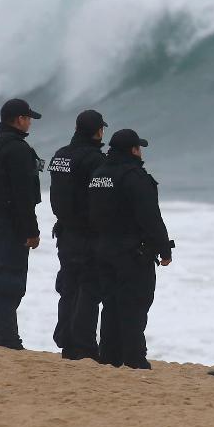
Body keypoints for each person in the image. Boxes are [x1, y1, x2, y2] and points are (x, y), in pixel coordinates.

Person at [82, 128, 173, 369]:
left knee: (110, 304)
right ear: (133, 150)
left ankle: (110, 355)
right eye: (139, 148)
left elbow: (91, 213)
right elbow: (150, 217)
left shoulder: (98, 174)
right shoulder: (135, 177)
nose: (141, 152)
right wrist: (165, 250)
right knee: (135, 303)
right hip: (132, 253)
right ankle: (134, 357)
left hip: (103, 249)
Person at [0, 97, 43, 350]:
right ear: (19, 120)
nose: (30, 124)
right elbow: (23, 196)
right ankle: (8, 341)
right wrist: (32, 231)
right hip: (8, 225)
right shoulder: (17, 149)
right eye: (28, 119)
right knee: (7, 283)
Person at [47, 109, 108, 357]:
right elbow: (99, 200)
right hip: (87, 235)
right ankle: (82, 346)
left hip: (65, 232)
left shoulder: (60, 156)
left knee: (69, 288)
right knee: (88, 290)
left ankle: (66, 341)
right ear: (98, 131)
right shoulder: (95, 160)